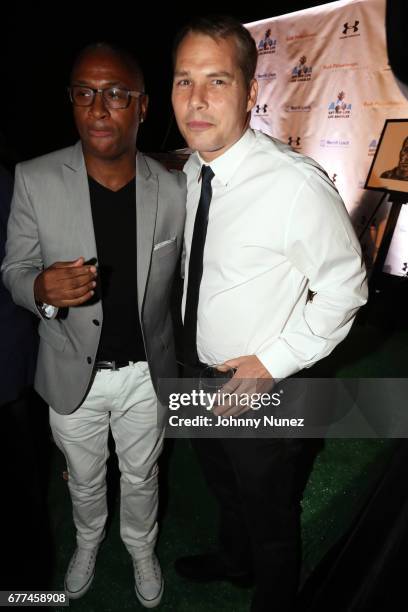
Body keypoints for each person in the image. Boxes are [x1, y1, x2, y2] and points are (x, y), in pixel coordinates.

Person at [171, 15, 367, 612]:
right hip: (195, 373)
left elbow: (346, 287)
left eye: (217, 81)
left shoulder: (294, 185)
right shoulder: (188, 170)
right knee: (225, 488)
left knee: (271, 513)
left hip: (262, 388)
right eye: (183, 81)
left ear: (251, 92)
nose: (196, 100)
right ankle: (235, 561)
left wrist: (270, 365)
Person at [2, 43, 186, 608]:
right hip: (68, 375)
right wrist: (39, 290)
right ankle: (88, 541)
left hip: (145, 375)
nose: (98, 107)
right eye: (84, 92)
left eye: (115, 94)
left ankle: (139, 548)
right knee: (82, 479)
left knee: (142, 474)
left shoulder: (175, 188)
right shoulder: (33, 179)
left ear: (143, 106)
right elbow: (14, 268)